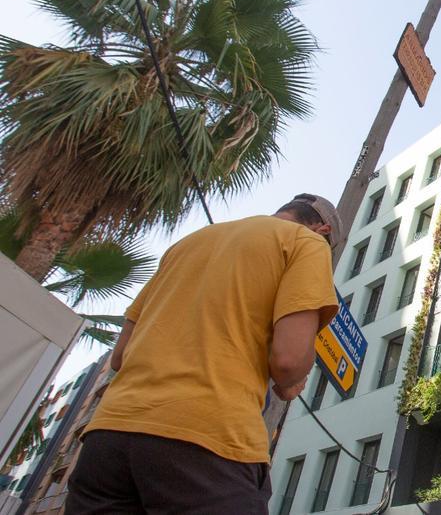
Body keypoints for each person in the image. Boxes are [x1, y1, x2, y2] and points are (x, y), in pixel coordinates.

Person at [66, 194, 344, 514]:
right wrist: (290, 384)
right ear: (322, 230)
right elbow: (288, 361)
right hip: (208, 438)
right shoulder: (306, 244)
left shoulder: (190, 243)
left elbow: (120, 357)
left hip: (108, 437)